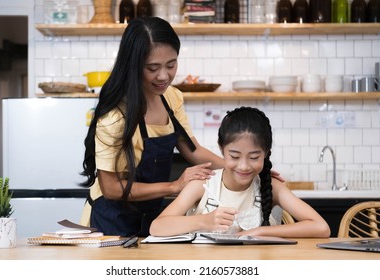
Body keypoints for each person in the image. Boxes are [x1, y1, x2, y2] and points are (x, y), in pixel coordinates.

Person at [79, 17, 224, 237]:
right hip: (111, 219)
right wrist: (173, 186)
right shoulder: (115, 116)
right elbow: (110, 187)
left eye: (171, 64)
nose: (164, 76)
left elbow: (193, 151)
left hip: (153, 217)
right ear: (133, 65)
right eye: (152, 68)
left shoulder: (171, 98)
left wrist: (243, 168)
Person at [150, 107, 331, 238]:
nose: (244, 166)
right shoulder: (203, 184)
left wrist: (260, 231)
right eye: (235, 156)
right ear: (222, 150)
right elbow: (157, 227)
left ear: (266, 153)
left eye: (254, 157)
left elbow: (321, 227)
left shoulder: (273, 187)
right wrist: (205, 221)